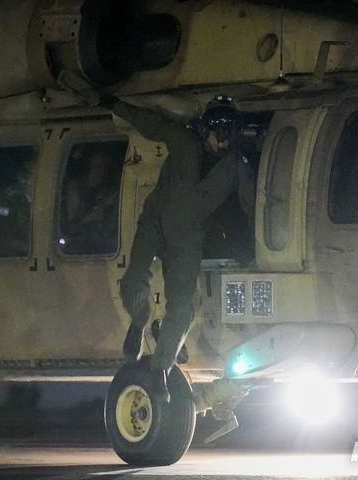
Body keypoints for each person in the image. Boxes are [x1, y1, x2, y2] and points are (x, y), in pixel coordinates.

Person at [97, 93, 239, 402]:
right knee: (133, 280)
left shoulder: (232, 168)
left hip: (188, 239)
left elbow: (246, 205)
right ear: (206, 132)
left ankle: (161, 368)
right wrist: (109, 102)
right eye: (218, 137)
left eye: (227, 139)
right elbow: (149, 123)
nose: (222, 145)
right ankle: (139, 319)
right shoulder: (183, 142)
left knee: (182, 310)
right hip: (156, 223)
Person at [62, 149, 120, 255]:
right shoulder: (74, 189)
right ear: (88, 167)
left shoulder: (107, 192)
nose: (100, 172)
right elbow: (70, 226)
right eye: (96, 166)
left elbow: (110, 229)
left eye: (104, 168)